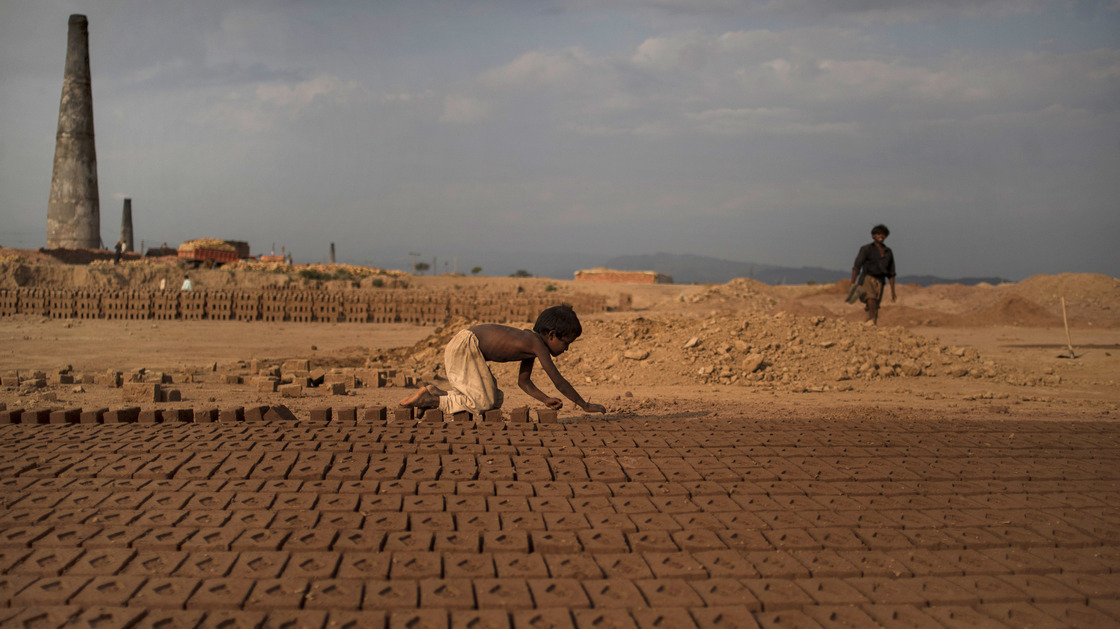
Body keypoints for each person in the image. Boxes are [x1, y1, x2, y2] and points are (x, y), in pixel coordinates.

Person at [399, 304, 607, 417]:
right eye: (566, 343)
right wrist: (583, 405)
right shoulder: (536, 345)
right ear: (552, 335)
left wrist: (544, 399)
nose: (567, 349)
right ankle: (431, 400)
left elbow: (523, 382)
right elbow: (558, 380)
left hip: (469, 347)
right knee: (483, 401)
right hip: (466, 347)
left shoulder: (532, 344)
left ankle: (437, 393)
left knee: (494, 398)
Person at [850, 224, 896, 325]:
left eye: (883, 234)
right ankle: (872, 319)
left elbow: (891, 273)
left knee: (876, 303)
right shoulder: (866, 249)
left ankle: (871, 321)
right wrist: (852, 283)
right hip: (868, 278)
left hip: (880, 281)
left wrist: (893, 291)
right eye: (878, 234)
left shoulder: (888, 252)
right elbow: (857, 266)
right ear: (873, 236)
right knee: (871, 298)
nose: (881, 236)